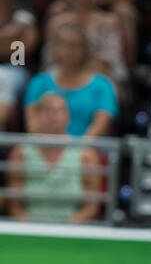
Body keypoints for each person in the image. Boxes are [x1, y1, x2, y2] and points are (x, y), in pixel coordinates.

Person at [5, 89, 101, 223]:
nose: (54, 115)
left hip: (73, 231)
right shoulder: (20, 153)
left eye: (60, 110)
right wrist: (32, 229)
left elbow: (91, 207)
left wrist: (67, 228)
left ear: (68, 116)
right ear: (36, 116)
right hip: (30, 229)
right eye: (48, 110)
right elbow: (14, 207)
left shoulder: (86, 155)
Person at [23, 22, 119, 138]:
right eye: (63, 45)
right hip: (45, 148)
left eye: (74, 46)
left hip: (87, 151)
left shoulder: (102, 85)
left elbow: (100, 126)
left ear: (85, 50)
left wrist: (75, 152)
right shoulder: (38, 82)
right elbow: (32, 126)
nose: (68, 51)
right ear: (54, 49)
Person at [43, 0, 128, 89]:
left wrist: (82, 70)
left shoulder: (109, 21)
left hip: (98, 72)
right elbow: (49, 58)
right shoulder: (57, 22)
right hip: (63, 70)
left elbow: (112, 59)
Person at [0, 0, 39, 130]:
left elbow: (22, 49)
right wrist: (11, 36)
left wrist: (15, 40)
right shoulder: (21, 18)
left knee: (4, 78)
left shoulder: (24, 8)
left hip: (15, 68)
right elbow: (15, 41)